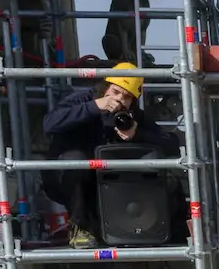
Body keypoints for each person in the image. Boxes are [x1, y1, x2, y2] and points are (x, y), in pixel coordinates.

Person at [36, 63, 181, 242]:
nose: (119, 99)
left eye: (127, 97)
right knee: (76, 160)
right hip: (69, 180)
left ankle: (161, 231)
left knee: (170, 179)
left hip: (110, 186)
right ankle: (78, 228)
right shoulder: (82, 101)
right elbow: (49, 124)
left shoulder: (132, 116)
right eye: (115, 92)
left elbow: (172, 144)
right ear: (105, 87)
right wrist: (94, 107)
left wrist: (137, 134)